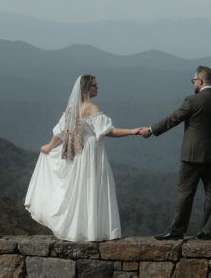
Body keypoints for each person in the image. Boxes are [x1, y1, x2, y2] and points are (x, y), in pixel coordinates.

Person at [24, 74, 144, 241]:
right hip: (91, 153)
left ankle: (77, 229)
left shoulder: (72, 108)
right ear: (87, 89)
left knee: (79, 188)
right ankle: (92, 231)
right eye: (95, 85)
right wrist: (133, 131)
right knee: (92, 187)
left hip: (78, 154)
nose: (97, 88)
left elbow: (61, 130)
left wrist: (50, 146)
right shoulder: (91, 108)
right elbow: (109, 131)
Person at [140, 65, 211, 240]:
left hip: (192, 155)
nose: (193, 84)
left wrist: (151, 130)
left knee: (186, 193)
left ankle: (177, 231)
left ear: (200, 81)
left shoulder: (192, 101)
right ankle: (206, 231)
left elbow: (173, 119)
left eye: (194, 81)